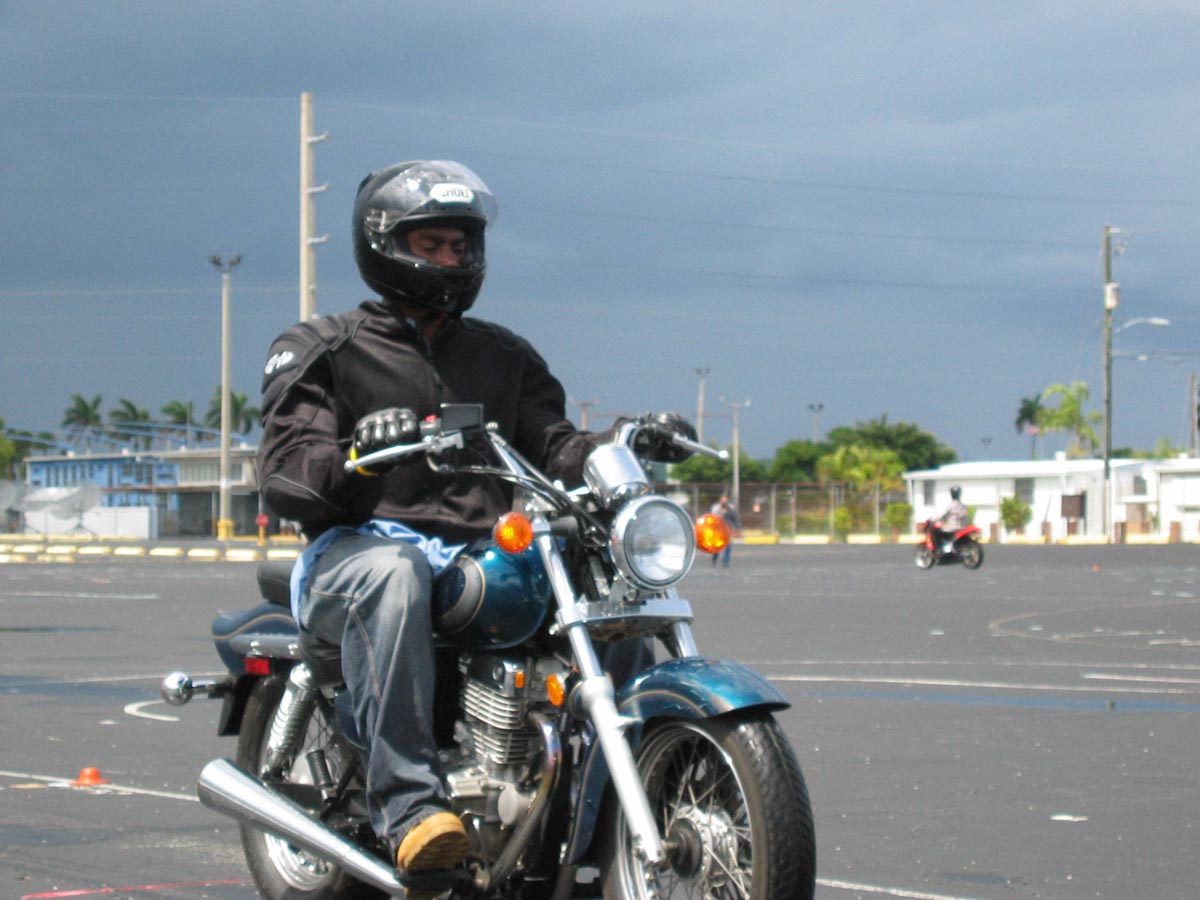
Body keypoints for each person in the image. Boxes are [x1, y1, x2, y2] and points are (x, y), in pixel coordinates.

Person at [256, 160, 694, 874]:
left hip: (473, 556)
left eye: (460, 245)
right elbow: (285, 471)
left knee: (603, 578)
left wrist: (622, 444)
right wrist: (358, 453)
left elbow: (554, 443)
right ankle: (411, 809)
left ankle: (616, 784)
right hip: (355, 549)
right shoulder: (320, 348)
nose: (451, 260)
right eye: (431, 244)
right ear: (384, 243)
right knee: (395, 573)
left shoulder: (503, 356)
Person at [710, 494, 742, 567]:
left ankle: (725, 561)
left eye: (725, 500)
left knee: (727, 545)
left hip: (727, 529)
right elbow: (713, 518)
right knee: (717, 546)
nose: (724, 502)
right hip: (718, 530)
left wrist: (737, 529)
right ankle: (714, 559)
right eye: (722, 500)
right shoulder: (716, 508)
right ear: (720, 501)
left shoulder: (730, 509)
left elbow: (735, 519)